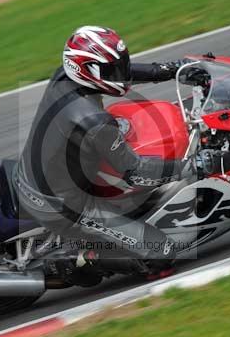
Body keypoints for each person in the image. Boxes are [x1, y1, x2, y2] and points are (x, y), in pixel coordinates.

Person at [14, 25, 201, 277]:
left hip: (40, 174)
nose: (120, 74)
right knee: (162, 251)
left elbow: (122, 73)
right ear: (87, 70)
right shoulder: (93, 120)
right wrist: (194, 165)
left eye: (119, 66)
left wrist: (170, 69)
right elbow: (135, 173)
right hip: (65, 205)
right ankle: (78, 259)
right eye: (112, 69)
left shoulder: (64, 75)